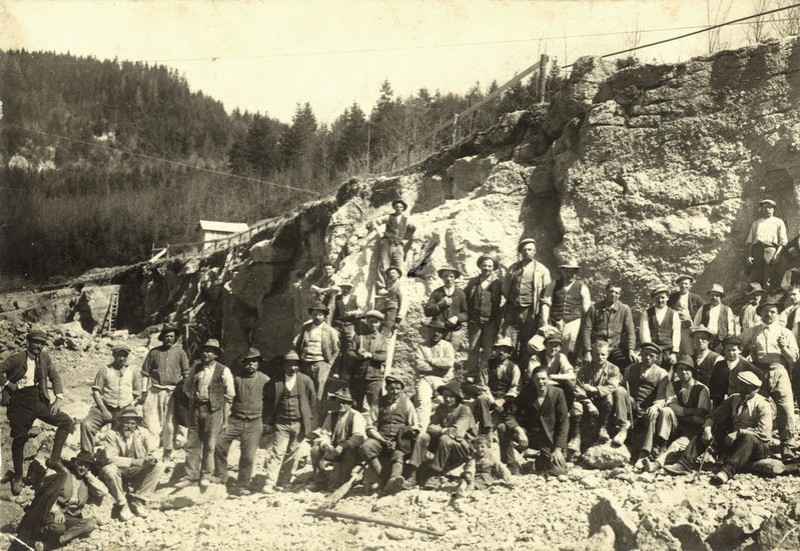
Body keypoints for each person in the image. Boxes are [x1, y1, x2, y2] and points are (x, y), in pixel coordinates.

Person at [665, 371, 773, 485]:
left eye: (748, 388)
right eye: (741, 386)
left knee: (748, 438)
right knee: (706, 428)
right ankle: (683, 463)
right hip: (733, 442)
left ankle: (726, 472)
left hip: (756, 447)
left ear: (755, 389)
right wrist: (707, 430)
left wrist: (738, 433)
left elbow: (764, 433)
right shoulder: (734, 399)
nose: (743, 391)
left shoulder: (763, 404)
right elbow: (714, 416)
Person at [0, 330, 73, 495]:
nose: (38, 346)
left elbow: (55, 377)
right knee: (20, 438)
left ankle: (54, 460)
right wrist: (8, 384)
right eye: (35, 342)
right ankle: (18, 475)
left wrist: (58, 397)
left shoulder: (45, 358)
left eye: (41, 343)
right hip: (18, 402)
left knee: (66, 422)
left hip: (39, 400)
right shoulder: (17, 358)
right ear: (28, 342)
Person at [741, 299, 798, 459]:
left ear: (777, 313)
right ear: (760, 313)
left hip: (779, 369)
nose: (769, 314)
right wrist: (748, 355)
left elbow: (793, 358)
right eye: (766, 311)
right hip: (758, 370)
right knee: (757, 406)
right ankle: (758, 445)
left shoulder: (785, 332)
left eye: (773, 311)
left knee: (785, 408)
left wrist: (783, 348)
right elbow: (738, 346)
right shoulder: (752, 331)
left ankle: (787, 446)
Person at [175, 339, 235, 488]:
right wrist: (194, 400)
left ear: (216, 354)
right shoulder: (196, 368)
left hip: (213, 410)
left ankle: (206, 475)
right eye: (204, 351)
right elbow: (186, 388)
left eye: (209, 351)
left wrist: (223, 412)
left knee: (210, 444)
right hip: (196, 409)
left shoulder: (223, 370)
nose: (205, 354)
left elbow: (230, 393)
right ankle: (190, 476)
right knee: (192, 443)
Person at [15, 451, 103, 550]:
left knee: (90, 524)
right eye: (80, 464)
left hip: (71, 517)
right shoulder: (64, 475)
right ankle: (38, 536)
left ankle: (55, 543)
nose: (82, 468)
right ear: (75, 463)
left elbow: (103, 491)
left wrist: (89, 475)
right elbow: (49, 495)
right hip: (53, 515)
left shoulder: (87, 482)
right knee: (58, 528)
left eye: (86, 466)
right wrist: (56, 511)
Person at [214, 348, 270, 495]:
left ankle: (243, 485)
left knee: (248, 455)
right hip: (235, 419)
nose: (251, 365)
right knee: (219, 443)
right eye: (248, 362)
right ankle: (221, 476)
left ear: (258, 364)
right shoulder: (237, 379)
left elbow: (271, 402)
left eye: (254, 362)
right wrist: (225, 419)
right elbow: (228, 398)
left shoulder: (265, 380)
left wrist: (266, 421)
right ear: (244, 364)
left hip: (254, 422)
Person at [642, 357, 711, 472]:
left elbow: (700, 418)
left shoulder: (702, 389)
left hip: (693, 430)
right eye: (680, 369)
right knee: (665, 411)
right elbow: (671, 406)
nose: (683, 372)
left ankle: (656, 465)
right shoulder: (672, 386)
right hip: (676, 425)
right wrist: (691, 411)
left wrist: (682, 413)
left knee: (676, 445)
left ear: (692, 371)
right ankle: (662, 443)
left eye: (686, 369)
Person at [404, 381, 475, 489]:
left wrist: (442, 431)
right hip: (444, 444)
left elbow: (456, 433)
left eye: (450, 396)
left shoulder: (464, 409)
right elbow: (431, 427)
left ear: (457, 397)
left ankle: (434, 475)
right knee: (423, 437)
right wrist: (443, 430)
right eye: (445, 396)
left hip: (463, 448)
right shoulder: (441, 408)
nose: (447, 399)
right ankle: (412, 475)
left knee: (445, 438)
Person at [262, 351, 316, 493]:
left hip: (299, 423)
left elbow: (312, 400)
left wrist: (305, 416)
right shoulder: (276, 382)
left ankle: (285, 481)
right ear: (284, 365)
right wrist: (269, 421)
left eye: (296, 365)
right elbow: (269, 402)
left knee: (293, 452)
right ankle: (270, 482)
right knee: (277, 451)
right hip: (281, 422)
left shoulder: (305, 381)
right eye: (290, 365)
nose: (293, 368)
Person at [499, 366, 569, 475]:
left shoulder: (558, 393)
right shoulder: (527, 393)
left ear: (548, 379)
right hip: (530, 436)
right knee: (502, 428)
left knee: (559, 471)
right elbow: (509, 413)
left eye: (543, 379)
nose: (541, 382)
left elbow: (564, 422)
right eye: (537, 379)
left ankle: (541, 459)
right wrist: (519, 431)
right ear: (533, 380)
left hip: (549, 439)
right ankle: (511, 464)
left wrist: (558, 449)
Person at [97, 405, 163, 521]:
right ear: (121, 422)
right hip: (119, 470)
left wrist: (152, 458)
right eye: (127, 423)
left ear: (137, 424)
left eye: (133, 423)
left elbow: (154, 450)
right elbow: (110, 458)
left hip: (136, 470)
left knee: (159, 466)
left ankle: (139, 500)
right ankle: (123, 505)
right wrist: (135, 461)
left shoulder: (143, 433)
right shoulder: (112, 434)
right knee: (109, 470)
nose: (130, 426)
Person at [360, 374, 418, 495]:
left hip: (400, 440)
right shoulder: (378, 402)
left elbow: (414, 425)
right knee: (366, 447)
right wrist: (382, 440)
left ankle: (394, 481)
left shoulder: (407, 403)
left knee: (398, 454)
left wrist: (404, 438)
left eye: (398, 389)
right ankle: (383, 476)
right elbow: (370, 427)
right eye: (392, 389)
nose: (395, 392)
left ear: (401, 390)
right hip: (381, 438)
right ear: (387, 388)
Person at [140, 324, 190, 462]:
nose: (169, 339)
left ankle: (168, 452)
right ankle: (152, 452)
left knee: (170, 422)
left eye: (171, 337)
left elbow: (186, 374)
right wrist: (144, 391)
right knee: (151, 421)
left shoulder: (180, 353)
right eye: (166, 336)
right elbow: (145, 373)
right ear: (162, 338)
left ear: (175, 339)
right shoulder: (154, 352)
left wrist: (184, 392)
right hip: (155, 390)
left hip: (173, 392)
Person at [81, 344, 141, 453]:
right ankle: (87, 457)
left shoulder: (132, 371)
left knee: (126, 432)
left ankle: (122, 457)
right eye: (119, 355)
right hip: (105, 407)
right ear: (114, 355)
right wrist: (103, 410)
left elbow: (138, 392)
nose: (121, 359)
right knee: (86, 425)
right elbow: (96, 391)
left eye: (124, 356)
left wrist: (130, 406)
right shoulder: (104, 370)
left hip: (124, 409)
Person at [501, 238, 552, 363]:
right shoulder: (513, 268)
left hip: (530, 311)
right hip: (513, 310)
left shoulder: (542, 270)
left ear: (535, 252)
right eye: (524, 250)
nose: (526, 252)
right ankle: (509, 369)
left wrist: (543, 316)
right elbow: (505, 287)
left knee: (527, 341)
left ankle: (525, 372)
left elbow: (547, 293)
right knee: (509, 339)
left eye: (530, 249)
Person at [572, 340, 629, 451]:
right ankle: (576, 437)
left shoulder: (613, 368)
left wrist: (595, 389)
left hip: (604, 400)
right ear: (592, 354)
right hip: (587, 400)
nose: (600, 357)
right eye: (597, 354)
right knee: (576, 405)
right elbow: (578, 388)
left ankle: (603, 428)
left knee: (609, 398)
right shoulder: (584, 370)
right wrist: (588, 403)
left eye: (603, 354)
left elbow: (612, 386)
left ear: (607, 355)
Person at [310, 388, 367, 491]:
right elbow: (325, 433)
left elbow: (358, 437)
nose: (341, 404)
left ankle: (342, 482)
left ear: (350, 404)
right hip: (335, 449)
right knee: (315, 450)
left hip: (351, 450)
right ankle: (320, 481)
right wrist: (325, 444)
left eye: (344, 402)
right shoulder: (332, 415)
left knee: (350, 451)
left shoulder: (356, 416)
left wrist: (343, 446)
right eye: (338, 401)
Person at [294, 302, 340, 426]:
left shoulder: (330, 331)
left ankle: (317, 423)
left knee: (319, 392)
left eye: (320, 315)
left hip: (321, 364)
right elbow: (298, 344)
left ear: (324, 316)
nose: (317, 317)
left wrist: (329, 364)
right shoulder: (306, 328)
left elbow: (336, 349)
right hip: (306, 363)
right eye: (315, 314)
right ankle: (303, 419)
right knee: (305, 389)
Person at [624, 343, 669, 463]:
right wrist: (627, 396)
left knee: (652, 415)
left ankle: (644, 454)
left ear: (656, 358)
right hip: (631, 407)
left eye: (651, 355)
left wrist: (656, 406)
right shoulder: (630, 369)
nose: (647, 358)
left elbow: (661, 397)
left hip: (647, 408)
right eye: (644, 354)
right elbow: (623, 387)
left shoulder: (662, 373)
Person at [540, 258, 591, 360]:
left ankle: (565, 365)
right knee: (535, 344)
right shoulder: (554, 284)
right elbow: (546, 303)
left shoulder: (582, 287)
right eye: (568, 271)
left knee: (569, 341)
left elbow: (586, 308)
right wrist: (545, 322)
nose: (570, 274)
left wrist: (583, 326)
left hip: (573, 320)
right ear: (562, 271)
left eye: (573, 272)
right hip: (554, 321)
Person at [464, 254, 504, 384]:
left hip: (491, 321)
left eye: (489, 266)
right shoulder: (473, 281)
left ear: (494, 268)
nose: (487, 268)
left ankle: (483, 374)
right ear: (480, 266)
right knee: (473, 347)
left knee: (488, 349)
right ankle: (471, 373)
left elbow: (507, 298)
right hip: (474, 321)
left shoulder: (498, 283)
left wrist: (501, 315)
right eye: (484, 265)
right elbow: (464, 297)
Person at [580, 281, 637, 369]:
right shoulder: (594, 309)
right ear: (606, 292)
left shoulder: (625, 309)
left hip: (615, 348)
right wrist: (587, 351)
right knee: (590, 366)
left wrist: (631, 349)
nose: (613, 294)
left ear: (619, 295)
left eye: (616, 293)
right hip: (597, 349)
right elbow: (586, 330)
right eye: (611, 291)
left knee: (631, 361)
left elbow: (630, 331)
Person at [470, 337, 521, 434]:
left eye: (505, 350)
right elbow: (482, 385)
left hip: (505, 401)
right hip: (490, 398)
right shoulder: (487, 364)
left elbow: (514, 388)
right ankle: (487, 428)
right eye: (499, 349)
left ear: (509, 353)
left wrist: (502, 400)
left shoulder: (514, 368)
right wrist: (493, 402)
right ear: (495, 351)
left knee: (511, 410)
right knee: (481, 399)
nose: (501, 352)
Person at [413, 320, 455, 431]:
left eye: (439, 331)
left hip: (443, 380)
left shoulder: (447, 346)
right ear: (429, 331)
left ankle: (439, 430)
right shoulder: (422, 346)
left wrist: (430, 360)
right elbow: (419, 365)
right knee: (423, 402)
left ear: (443, 333)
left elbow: (449, 363)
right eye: (433, 330)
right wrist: (439, 369)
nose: (436, 333)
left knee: (443, 402)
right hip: (425, 379)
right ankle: (421, 431)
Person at [346, 310, 388, 411]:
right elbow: (349, 352)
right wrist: (357, 356)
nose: (373, 324)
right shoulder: (358, 337)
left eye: (376, 322)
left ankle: (372, 426)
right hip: (357, 377)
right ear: (367, 322)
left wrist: (370, 355)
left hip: (374, 378)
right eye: (371, 321)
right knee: (355, 406)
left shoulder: (382, 339)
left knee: (374, 406)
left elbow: (384, 356)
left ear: (380, 323)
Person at [371, 198, 415, 291]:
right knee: (383, 264)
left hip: (399, 244)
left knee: (398, 265)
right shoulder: (388, 217)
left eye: (401, 207)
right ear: (394, 207)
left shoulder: (406, 220)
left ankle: (395, 286)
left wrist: (411, 237)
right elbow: (375, 222)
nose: (399, 208)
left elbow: (415, 227)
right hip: (387, 242)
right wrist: (379, 233)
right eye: (397, 206)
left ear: (403, 209)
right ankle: (381, 286)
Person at [708, 336, 764, 408]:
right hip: (720, 402)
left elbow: (761, 375)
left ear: (740, 351)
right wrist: (715, 396)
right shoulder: (719, 365)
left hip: (738, 402)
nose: (731, 353)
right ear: (724, 351)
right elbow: (712, 382)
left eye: (734, 350)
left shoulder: (745, 365)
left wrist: (752, 392)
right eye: (728, 350)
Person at [424, 267, 469, 353]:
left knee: (451, 354)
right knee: (436, 354)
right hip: (437, 331)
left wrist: (457, 318)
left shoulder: (460, 293)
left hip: (454, 330)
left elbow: (466, 313)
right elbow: (427, 312)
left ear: (455, 278)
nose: (448, 279)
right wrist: (440, 305)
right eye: (446, 276)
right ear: (442, 277)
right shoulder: (436, 293)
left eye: (451, 276)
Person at [747, 198, 787, 290]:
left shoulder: (778, 222)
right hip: (757, 251)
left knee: (769, 276)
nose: (767, 209)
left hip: (771, 250)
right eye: (765, 207)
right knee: (756, 276)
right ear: (761, 209)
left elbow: (783, 241)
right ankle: (756, 298)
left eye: (769, 207)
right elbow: (750, 241)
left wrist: (778, 254)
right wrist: (749, 255)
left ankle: (768, 300)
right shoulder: (756, 223)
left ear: (773, 209)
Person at [639, 286, 681, 368]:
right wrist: (649, 350)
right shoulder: (647, 314)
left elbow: (676, 333)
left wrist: (674, 353)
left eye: (662, 297)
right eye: (657, 297)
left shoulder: (674, 314)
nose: (660, 300)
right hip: (652, 351)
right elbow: (645, 333)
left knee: (667, 376)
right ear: (654, 299)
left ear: (667, 298)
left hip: (668, 351)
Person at [692, 284, 739, 349]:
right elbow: (695, 324)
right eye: (712, 295)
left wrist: (728, 339)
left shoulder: (727, 310)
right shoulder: (703, 308)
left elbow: (731, 329)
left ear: (721, 297)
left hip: (720, 342)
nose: (714, 297)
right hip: (705, 341)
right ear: (709, 296)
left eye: (717, 295)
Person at [668, 275, 705, 355]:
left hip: (689, 328)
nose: (683, 286)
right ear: (678, 285)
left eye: (686, 284)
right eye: (681, 284)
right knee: (676, 348)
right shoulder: (672, 297)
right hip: (675, 327)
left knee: (688, 350)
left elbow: (704, 310)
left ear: (690, 285)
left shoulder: (696, 298)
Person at [380, 266, 408, 337]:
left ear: (398, 275)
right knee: (384, 327)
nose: (391, 274)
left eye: (393, 273)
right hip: (387, 309)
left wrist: (400, 316)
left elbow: (404, 300)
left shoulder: (401, 285)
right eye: (390, 273)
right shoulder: (391, 285)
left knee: (389, 328)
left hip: (393, 310)